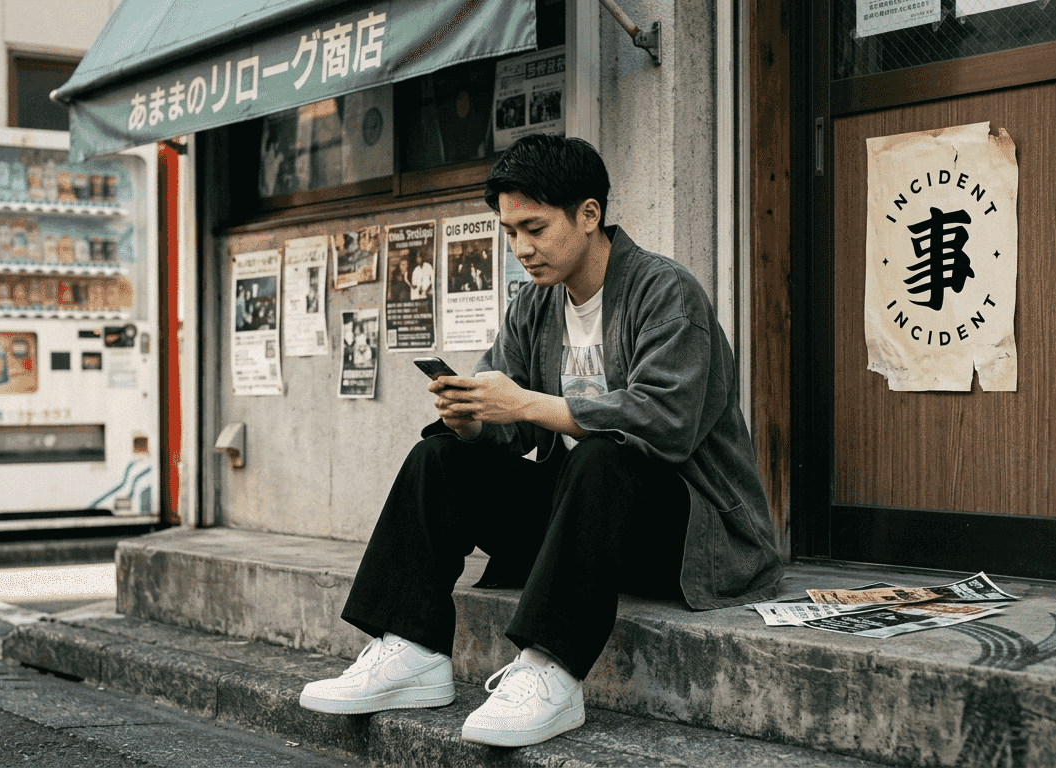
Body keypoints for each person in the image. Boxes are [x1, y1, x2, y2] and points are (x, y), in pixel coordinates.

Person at [299, 134, 782, 748]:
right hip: (586, 527)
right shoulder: (536, 304)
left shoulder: (666, 292)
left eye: (534, 228)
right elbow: (515, 422)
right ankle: (410, 647)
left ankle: (550, 670)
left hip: (686, 532)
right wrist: (474, 420)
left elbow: (664, 422)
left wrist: (523, 403)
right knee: (439, 458)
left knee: (608, 454)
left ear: (589, 214)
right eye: (509, 232)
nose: (521, 249)